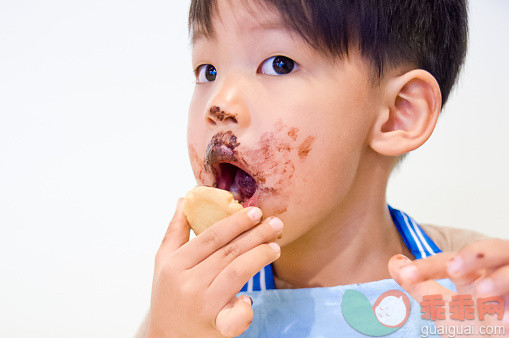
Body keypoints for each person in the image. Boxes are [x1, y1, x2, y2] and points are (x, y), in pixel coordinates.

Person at [137, 0, 509, 336]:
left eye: (279, 65)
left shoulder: (476, 285)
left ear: (398, 114)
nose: (219, 106)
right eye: (208, 71)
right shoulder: (195, 304)